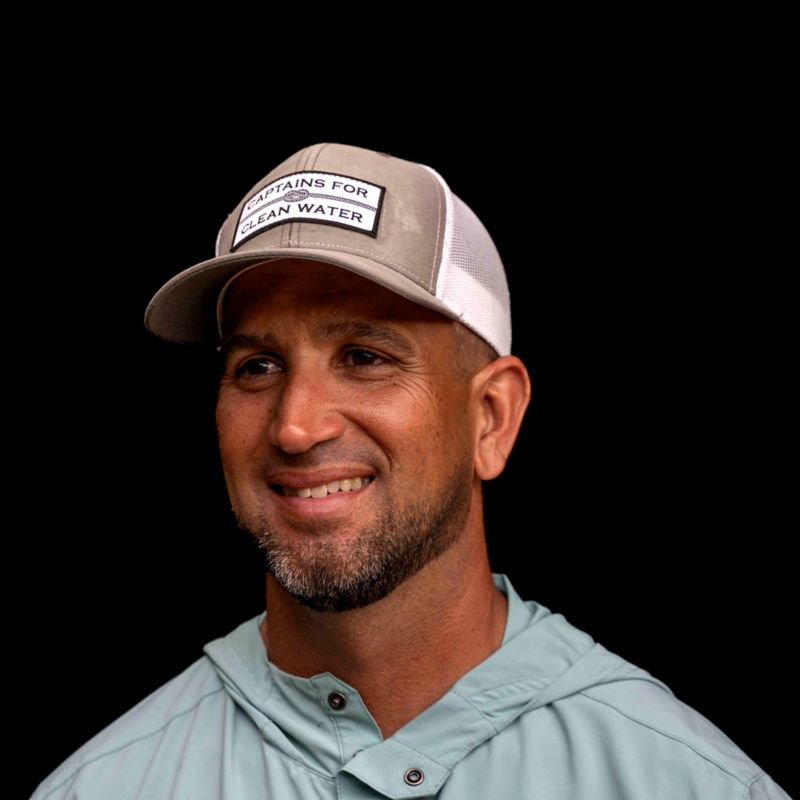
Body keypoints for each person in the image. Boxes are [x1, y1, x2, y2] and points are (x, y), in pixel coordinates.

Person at [32, 143, 789, 799]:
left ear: (491, 418)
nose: (295, 426)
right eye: (257, 366)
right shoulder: (102, 786)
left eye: (364, 358)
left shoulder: (687, 782)